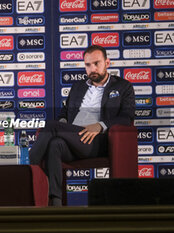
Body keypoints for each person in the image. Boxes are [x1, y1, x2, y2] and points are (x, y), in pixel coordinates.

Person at [29, 45, 135, 206]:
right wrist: (63, 127)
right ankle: (55, 201)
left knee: (51, 126)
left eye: (97, 63)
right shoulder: (78, 87)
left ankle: (26, 169)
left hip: (98, 141)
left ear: (107, 62)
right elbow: (64, 114)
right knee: (54, 144)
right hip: (73, 138)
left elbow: (127, 117)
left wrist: (100, 125)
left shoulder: (123, 86)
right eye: (88, 65)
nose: (92, 69)